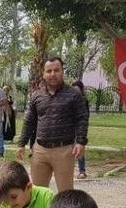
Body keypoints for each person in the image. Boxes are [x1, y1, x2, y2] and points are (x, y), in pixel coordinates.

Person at [16, 57, 89, 192]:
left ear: (62, 72)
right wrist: (22, 144)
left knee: (65, 194)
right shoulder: (36, 96)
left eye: (56, 70)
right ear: (43, 74)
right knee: (37, 193)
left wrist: (81, 142)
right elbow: (29, 121)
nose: (52, 74)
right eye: (49, 71)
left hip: (64, 151)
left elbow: (82, 119)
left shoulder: (74, 95)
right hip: (40, 151)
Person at [70, 81, 87, 178]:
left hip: (79, 129)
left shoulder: (83, 100)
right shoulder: (70, 99)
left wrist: (83, 132)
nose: (75, 91)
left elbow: (85, 117)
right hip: (69, 128)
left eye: (77, 89)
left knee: (79, 149)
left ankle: (82, 170)